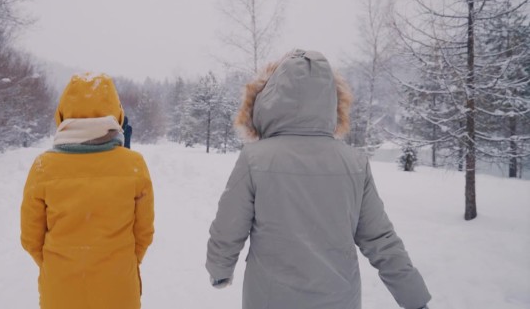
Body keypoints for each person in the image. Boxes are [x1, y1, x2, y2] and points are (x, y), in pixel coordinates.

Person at [206, 50, 431, 309]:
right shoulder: (354, 163)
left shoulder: (255, 159)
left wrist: (220, 268)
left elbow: (229, 224)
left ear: (270, 100)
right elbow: (381, 239)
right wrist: (414, 298)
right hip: (339, 300)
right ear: (332, 101)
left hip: (270, 299)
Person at [21, 73, 154, 309]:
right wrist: (123, 262)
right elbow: (143, 235)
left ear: (61, 114)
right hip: (119, 291)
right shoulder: (134, 165)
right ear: (117, 115)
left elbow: (31, 239)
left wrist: (58, 264)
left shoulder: (43, 167)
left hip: (59, 293)